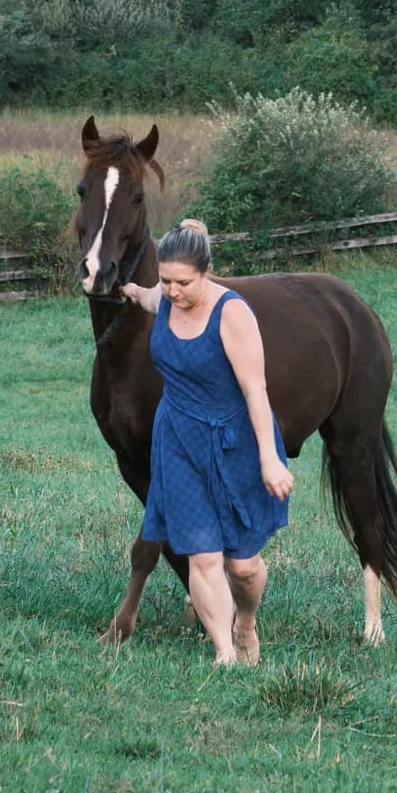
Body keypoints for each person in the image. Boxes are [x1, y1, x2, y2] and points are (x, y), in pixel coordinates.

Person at [121, 219, 294, 666]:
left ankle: (247, 623)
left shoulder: (232, 313)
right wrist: (133, 290)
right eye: (166, 281)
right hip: (177, 440)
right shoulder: (164, 298)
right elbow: (147, 298)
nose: (173, 292)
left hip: (233, 442)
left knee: (243, 566)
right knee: (201, 554)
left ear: (207, 272)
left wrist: (270, 460)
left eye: (184, 282)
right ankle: (224, 653)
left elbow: (256, 391)